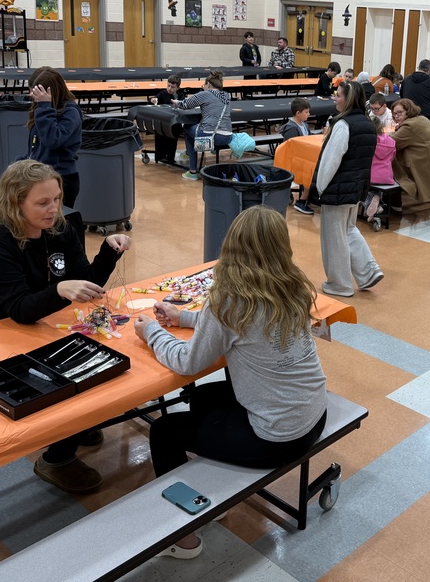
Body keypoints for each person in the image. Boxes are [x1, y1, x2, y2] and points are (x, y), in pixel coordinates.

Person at [134, 206, 327, 559]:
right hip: (314, 415)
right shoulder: (292, 287)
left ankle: (183, 534)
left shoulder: (229, 299)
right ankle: (213, 489)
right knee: (204, 399)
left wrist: (151, 332)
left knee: (164, 431)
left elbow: (187, 361)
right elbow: (236, 330)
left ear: (233, 245)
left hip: (277, 437)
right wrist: (187, 317)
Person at [0, 160, 131, 493]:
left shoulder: (60, 229)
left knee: (107, 363)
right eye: (42, 202)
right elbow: (19, 310)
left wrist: (107, 252)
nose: (53, 209)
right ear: (15, 203)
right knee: (78, 379)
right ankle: (57, 458)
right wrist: (59, 289)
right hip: (3, 337)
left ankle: (77, 425)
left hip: (46, 327)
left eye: (57, 199)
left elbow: (84, 283)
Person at [311, 81, 383, 296]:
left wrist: (320, 189)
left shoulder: (343, 125)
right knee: (349, 230)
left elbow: (330, 161)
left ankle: (339, 284)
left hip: (337, 190)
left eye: (339, 95)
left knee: (334, 237)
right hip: (356, 189)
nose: (335, 98)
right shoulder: (369, 124)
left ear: (348, 99)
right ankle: (368, 271)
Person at [22, 67, 83, 208]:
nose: (31, 95)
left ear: (50, 92)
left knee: (58, 226)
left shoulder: (70, 112)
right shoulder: (44, 109)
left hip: (62, 179)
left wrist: (44, 107)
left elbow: (53, 140)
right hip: (41, 177)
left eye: (36, 91)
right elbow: (36, 147)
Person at [175, 71, 232, 180]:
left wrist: (176, 102)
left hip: (213, 135)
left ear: (209, 84)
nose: (203, 87)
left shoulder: (205, 94)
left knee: (187, 128)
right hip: (227, 136)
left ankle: (192, 170)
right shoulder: (226, 96)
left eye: (204, 85)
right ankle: (210, 148)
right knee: (199, 129)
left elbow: (186, 104)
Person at [390, 98, 430, 202]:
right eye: (394, 114)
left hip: (425, 169)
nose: (396, 116)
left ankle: (393, 202)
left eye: (399, 112)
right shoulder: (422, 119)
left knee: (387, 157)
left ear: (408, 111)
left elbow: (391, 143)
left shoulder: (409, 126)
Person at [280, 97, 316, 215]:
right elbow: (291, 149)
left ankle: (310, 196)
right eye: (306, 112)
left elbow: (309, 139)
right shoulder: (291, 128)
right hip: (294, 161)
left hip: (303, 158)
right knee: (311, 171)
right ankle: (302, 201)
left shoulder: (304, 125)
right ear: (298, 113)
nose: (309, 114)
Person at [362, 115, 397, 221]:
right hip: (387, 176)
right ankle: (377, 205)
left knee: (359, 187)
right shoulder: (391, 141)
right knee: (376, 186)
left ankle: (372, 203)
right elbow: (392, 157)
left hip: (370, 176)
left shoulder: (367, 140)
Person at [153, 74, 186, 167]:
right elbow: (154, 100)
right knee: (160, 136)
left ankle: (171, 157)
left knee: (173, 138)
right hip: (162, 122)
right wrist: (153, 100)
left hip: (174, 122)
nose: (169, 88)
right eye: (168, 86)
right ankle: (160, 156)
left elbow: (183, 105)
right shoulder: (162, 94)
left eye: (172, 87)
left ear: (178, 87)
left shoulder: (180, 95)